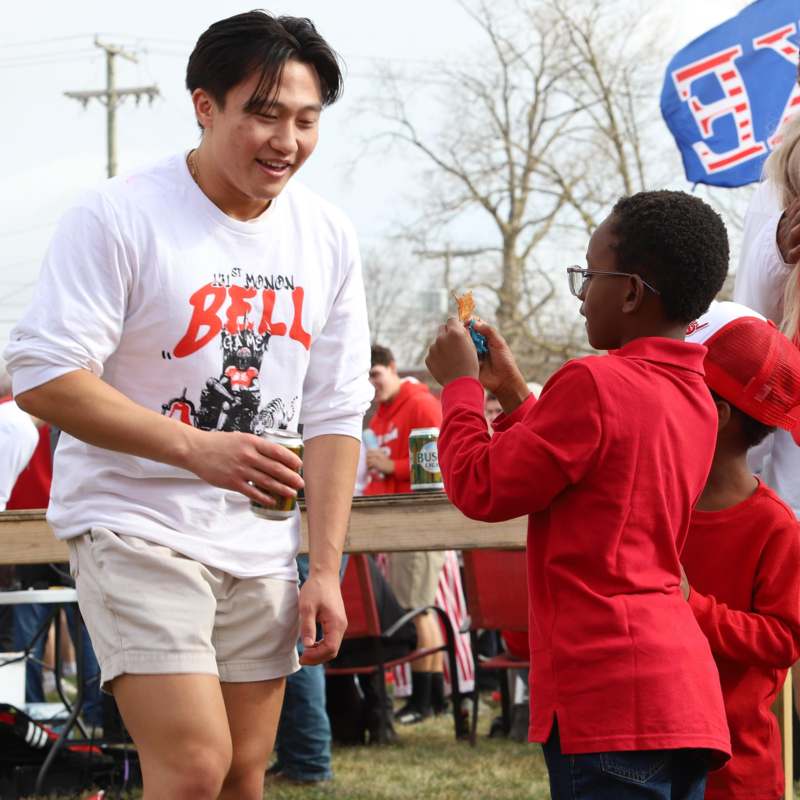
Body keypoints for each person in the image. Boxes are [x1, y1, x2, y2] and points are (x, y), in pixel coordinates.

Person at [4, 12, 373, 800]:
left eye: (306, 120)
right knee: (197, 763)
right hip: (134, 524)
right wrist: (198, 449)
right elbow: (42, 374)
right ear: (205, 107)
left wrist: (327, 569)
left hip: (261, 545)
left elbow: (337, 411)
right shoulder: (119, 214)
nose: (287, 140)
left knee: (244, 773)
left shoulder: (328, 236)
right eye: (264, 114)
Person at [426, 190, 732, 799]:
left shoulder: (594, 381)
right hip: (680, 692)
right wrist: (514, 395)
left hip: (607, 692)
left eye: (589, 274)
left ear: (630, 292)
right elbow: (585, 467)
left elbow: (481, 487)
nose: (582, 291)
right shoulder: (695, 395)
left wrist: (460, 388)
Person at [680, 301, 800, 800]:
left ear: (718, 415)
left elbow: (784, 639)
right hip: (654, 758)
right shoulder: (660, 504)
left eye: (681, 392)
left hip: (737, 773)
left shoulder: (775, 527)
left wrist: (691, 607)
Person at [364, 344, 447, 724]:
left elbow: (438, 462)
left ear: (392, 368)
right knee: (412, 607)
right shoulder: (380, 414)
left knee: (418, 609)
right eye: (365, 378)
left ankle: (427, 698)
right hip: (393, 524)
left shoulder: (421, 403)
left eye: (376, 374)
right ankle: (428, 697)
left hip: (419, 520)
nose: (372, 384)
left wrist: (390, 464)